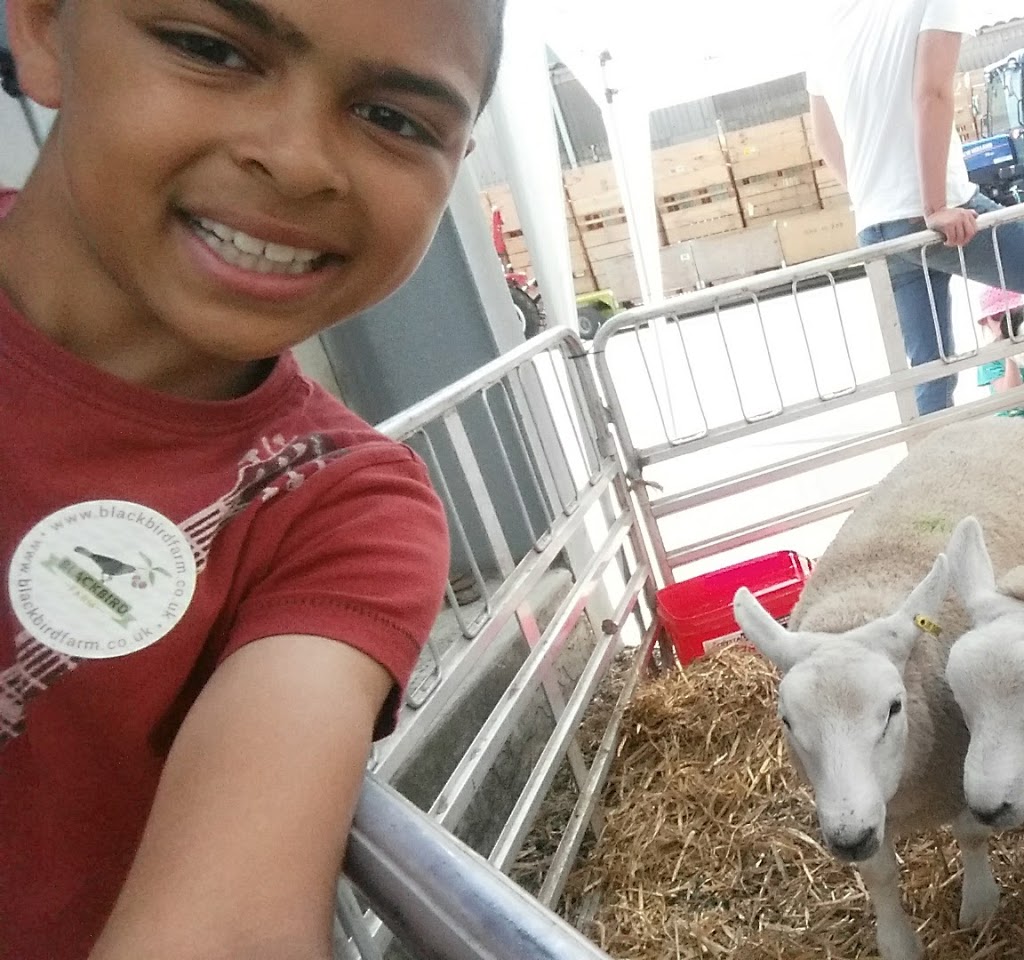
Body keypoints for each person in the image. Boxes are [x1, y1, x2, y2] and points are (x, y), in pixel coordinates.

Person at [0, 1, 505, 958]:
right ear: (42, 27)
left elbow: (226, 933)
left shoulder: (341, 512)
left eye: (395, 119)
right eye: (209, 49)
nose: (300, 161)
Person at [807, 0, 1024, 416]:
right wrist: (934, 206)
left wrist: (873, 199)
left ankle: (930, 455)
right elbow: (932, 93)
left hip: (877, 225)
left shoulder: (830, 21)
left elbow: (824, 134)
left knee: (930, 372)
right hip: (935, 212)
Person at [975, 285, 1024, 415]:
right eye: (998, 316)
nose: (1006, 321)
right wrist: (1010, 354)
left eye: (1013, 314)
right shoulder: (990, 357)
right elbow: (1012, 401)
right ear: (986, 321)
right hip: (1010, 421)